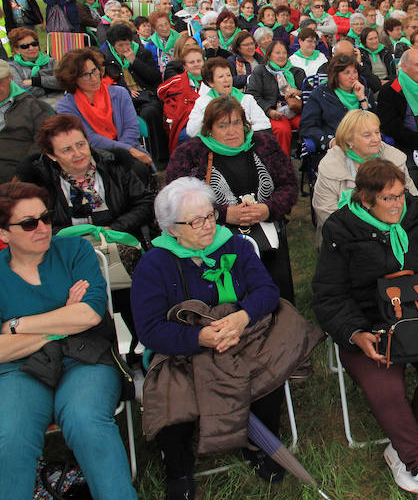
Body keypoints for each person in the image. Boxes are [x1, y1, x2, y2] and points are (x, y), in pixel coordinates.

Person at [131, 177, 310, 500]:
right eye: (196, 221)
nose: (208, 226)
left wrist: (242, 317)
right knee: (174, 395)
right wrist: (201, 336)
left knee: (265, 375)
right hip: (183, 348)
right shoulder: (154, 264)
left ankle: (258, 444)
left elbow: (267, 292)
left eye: (210, 216)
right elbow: (150, 329)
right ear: (172, 229)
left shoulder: (236, 245)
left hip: (242, 337)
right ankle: (179, 467)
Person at [312, 159, 418, 500]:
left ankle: (403, 452)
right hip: (371, 327)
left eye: (400, 194)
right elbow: (329, 294)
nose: (398, 203)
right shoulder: (341, 229)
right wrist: (354, 333)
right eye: (388, 198)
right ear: (366, 200)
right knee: (384, 387)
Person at [0, 181, 140, 500]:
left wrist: (17, 324)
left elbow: (89, 316)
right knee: (12, 436)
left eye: (46, 217)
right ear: (4, 233)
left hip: (84, 357)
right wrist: (62, 319)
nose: (42, 227)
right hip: (19, 370)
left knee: (86, 420)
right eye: (28, 223)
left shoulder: (75, 251)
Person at [166, 96, 297, 301]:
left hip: (267, 231)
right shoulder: (191, 153)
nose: (232, 131)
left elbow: (289, 185)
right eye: (223, 125)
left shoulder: (264, 144)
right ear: (209, 129)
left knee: (276, 291)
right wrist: (223, 213)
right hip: (213, 237)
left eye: (237, 123)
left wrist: (268, 209)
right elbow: (177, 198)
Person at [17, 114, 155, 242]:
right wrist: (77, 237)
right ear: (51, 155)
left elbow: (145, 204)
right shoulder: (38, 182)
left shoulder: (115, 165)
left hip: (119, 241)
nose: (78, 154)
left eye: (81, 144)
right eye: (67, 149)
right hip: (67, 249)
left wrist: (113, 229)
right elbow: (35, 225)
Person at [312, 110, 417, 247]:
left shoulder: (394, 159)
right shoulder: (331, 167)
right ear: (349, 141)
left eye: (377, 132)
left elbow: (413, 198)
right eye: (367, 135)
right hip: (347, 239)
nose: (376, 139)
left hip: (394, 230)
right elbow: (326, 212)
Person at [55, 48, 154, 170]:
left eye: (94, 71)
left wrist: (126, 152)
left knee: (139, 169)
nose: (94, 78)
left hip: (129, 149)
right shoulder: (66, 106)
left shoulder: (120, 93)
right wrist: (127, 150)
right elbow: (88, 138)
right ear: (73, 78)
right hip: (94, 156)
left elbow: (131, 127)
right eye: (85, 75)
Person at [100, 24, 167, 164]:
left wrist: (134, 62)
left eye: (127, 44)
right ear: (113, 45)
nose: (125, 49)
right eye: (120, 45)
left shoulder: (142, 53)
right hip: (120, 98)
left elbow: (154, 77)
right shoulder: (106, 58)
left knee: (151, 112)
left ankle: (159, 157)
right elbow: (106, 82)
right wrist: (124, 90)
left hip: (145, 95)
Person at [376, 48, 418, 185]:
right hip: (407, 146)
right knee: (406, 180)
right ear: (404, 67)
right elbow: (392, 129)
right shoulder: (390, 91)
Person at [300, 54, 372, 153]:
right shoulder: (321, 94)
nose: (353, 77)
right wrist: (329, 141)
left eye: (355, 72)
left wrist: (362, 99)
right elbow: (308, 126)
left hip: (365, 144)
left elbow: (374, 124)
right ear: (336, 75)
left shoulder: (365, 92)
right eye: (346, 73)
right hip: (335, 147)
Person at [245, 39, 304, 156]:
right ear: (269, 54)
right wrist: (269, 110)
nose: (281, 56)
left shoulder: (297, 72)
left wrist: (299, 92)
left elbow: (309, 93)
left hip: (295, 110)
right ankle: (283, 166)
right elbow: (252, 95)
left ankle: (309, 162)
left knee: (310, 123)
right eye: (277, 53)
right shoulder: (260, 71)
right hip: (273, 112)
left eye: (284, 53)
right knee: (282, 130)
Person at [188, 57, 270, 138]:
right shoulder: (203, 102)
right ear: (210, 82)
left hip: (244, 144)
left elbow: (265, 124)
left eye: (228, 75)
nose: (226, 79)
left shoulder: (246, 99)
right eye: (221, 77)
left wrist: (241, 130)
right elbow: (192, 132)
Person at [0, 60, 52, 182]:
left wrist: (25, 171)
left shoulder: (30, 105)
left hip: (21, 176)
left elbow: (43, 139)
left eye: (0, 81)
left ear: (9, 78)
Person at [156, 44, 204, 154]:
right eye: (192, 62)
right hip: (185, 123)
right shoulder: (176, 81)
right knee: (187, 136)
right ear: (185, 66)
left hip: (209, 121)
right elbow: (160, 92)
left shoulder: (211, 79)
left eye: (199, 61)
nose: (196, 64)